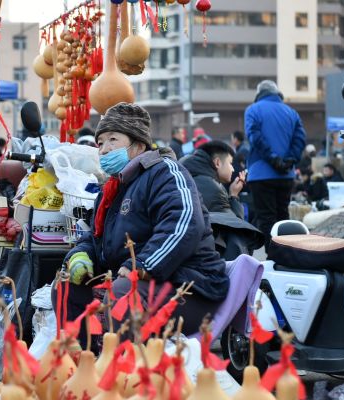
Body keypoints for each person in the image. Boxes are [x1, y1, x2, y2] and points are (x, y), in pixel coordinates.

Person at [60, 103, 229, 348]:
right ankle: (82, 363)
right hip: (142, 284)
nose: (104, 150)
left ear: (138, 146)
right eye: (100, 143)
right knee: (66, 287)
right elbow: (96, 239)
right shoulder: (112, 190)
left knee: (123, 295)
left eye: (113, 140)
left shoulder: (166, 173)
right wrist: (80, 255)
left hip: (189, 287)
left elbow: (184, 225)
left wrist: (141, 265)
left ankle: (127, 375)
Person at [244, 80, 306, 249]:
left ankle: (272, 257)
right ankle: (286, 256)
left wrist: (273, 158)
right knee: (283, 216)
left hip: (261, 174)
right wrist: (289, 160)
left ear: (259, 93)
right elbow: (299, 139)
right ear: (276, 93)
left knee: (266, 218)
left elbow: (254, 137)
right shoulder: (291, 112)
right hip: (286, 175)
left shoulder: (253, 110)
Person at [182, 141, 263, 259]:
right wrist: (234, 196)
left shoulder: (190, 177)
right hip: (205, 257)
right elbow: (237, 228)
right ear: (217, 163)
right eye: (230, 163)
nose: (232, 169)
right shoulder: (213, 188)